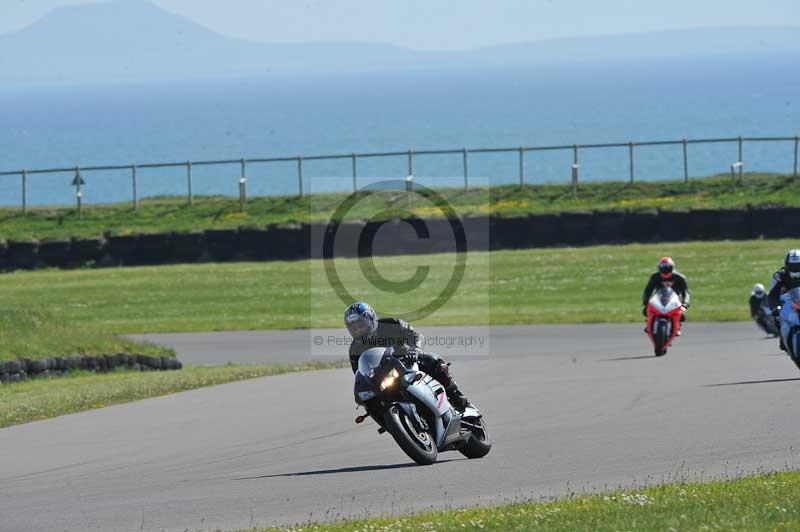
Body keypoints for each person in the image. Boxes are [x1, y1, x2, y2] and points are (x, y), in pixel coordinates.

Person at [344, 301, 471, 410]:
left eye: (361, 325)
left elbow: (416, 336)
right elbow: (359, 374)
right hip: (382, 378)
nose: (359, 330)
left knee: (432, 360)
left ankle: (457, 396)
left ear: (371, 320)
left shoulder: (391, 324)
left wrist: (414, 351)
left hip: (406, 362)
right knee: (370, 403)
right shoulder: (354, 349)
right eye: (354, 328)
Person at [641, 257, 691, 327]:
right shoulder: (655, 277)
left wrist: (685, 305)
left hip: (675, 300)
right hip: (658, 299)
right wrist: (646, 302)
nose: (665, 270)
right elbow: (648, 290)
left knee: (682, 316)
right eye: (663, 268)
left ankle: (676, 326)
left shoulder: (679, 277)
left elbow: (686, 292)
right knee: (645, 311)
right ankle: (649, 324)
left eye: (667, 268)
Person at [779, 287, 800, 358]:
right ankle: (783, 343)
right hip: (791, 308)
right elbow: (774, 297)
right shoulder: (783, 282)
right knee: (783, 325)